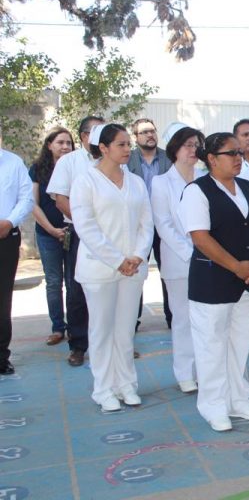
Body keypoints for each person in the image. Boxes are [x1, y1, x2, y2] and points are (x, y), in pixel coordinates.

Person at [179, 132, 249, 432]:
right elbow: (200, 237)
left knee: (239, 344)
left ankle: (239, 400)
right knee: (211, 346)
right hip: (213, 283)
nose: (238, 158)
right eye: (230, 153)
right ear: (210, 159)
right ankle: (214, 406)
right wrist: (236, 266)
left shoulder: (247, 187)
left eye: (240, 153)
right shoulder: (197, 191)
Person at [70, 123, 154, 411]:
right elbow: (86, 226)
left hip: (133, 268)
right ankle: (103, 389)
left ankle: (126, 385)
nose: (127, 149)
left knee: (125, 329)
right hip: (100, 269)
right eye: (120, 144)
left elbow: (146, 222)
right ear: (103, 148)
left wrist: (138, 256)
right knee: (102, 330)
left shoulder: (136, 182)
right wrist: (118, 260)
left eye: (127, 144)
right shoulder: (86, 181)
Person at [150, 126, 205, 393]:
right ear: (175, 148)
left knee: (207, 320)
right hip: (178, 262)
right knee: (183, 319)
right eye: (188, 145)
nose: (193, 150)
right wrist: (191, 252)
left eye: (197, 144)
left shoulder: (206, 178)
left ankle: (205, 369)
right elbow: (164, 225)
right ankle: (185, 373)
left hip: (209, 260)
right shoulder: (161, 183)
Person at [47, 115, 105, 367]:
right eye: (98, 132)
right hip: (80, 233)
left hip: (110, 233)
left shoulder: (112, 161)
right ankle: (79, 345)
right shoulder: (69, 162)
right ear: (83, 136)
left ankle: (111, 343)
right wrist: (88, 225)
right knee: (77, 288)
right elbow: (60, 199)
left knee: (110, 288)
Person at [29, 127, 74, 346]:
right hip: (48, 235)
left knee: (73, 282)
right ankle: (58, 327)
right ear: (49, 145)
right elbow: (33, 204)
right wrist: (50, 229)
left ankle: (76, 327)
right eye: (60, 142)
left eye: (69, 143)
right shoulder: (38, 169)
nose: (65, 146)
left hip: (72, 233)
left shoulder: (77, 168)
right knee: (54, 282)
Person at [127, 118, 173, 330]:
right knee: (136, 272)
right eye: (144, 132)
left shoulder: (168, 158)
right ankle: (132, 319)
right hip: (137, 225)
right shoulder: (128, 160)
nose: (150, 135)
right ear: (136, 137)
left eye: (152, 131)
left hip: (164, 224)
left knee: (168, 271)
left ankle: (173, 317)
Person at [0, 146, 34, 375]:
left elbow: (26, 198)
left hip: (5, 236)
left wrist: (9, 222)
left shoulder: (13, 162)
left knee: (3, 298)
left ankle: (1, 356)